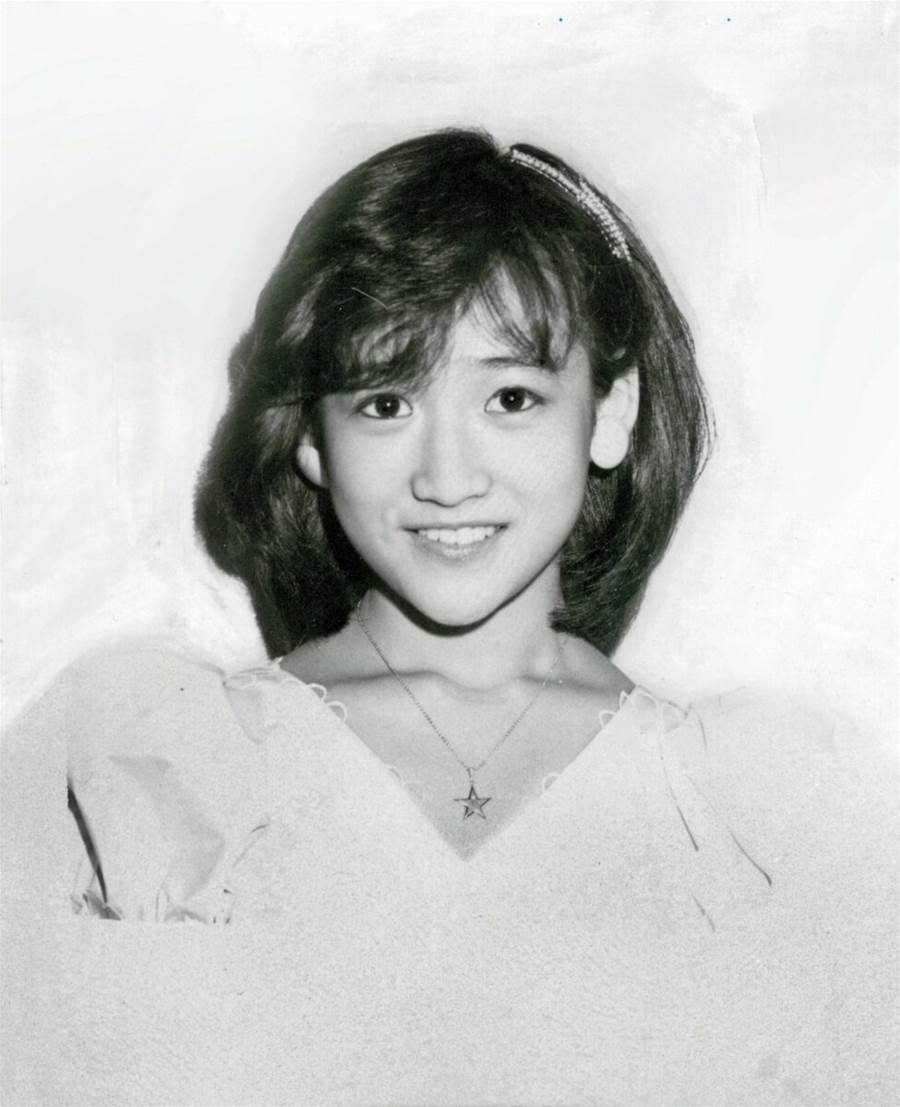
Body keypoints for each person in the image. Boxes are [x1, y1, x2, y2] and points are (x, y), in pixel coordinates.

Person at [2, 129, 896, 1105]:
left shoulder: (750, 817)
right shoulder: (151, 764)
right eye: (386, 403)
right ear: (311, 436)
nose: (449, 476)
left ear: (610, 413)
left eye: (510, 397)